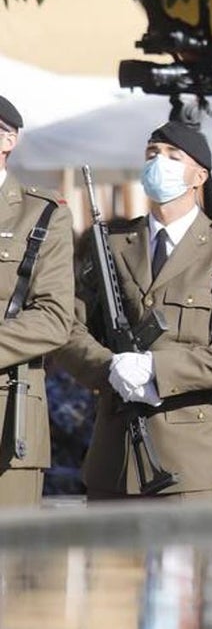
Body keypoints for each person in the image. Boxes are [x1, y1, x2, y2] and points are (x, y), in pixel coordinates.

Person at [55, 121, 212, 500]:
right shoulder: (113, 245)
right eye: (152, 154)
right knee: (105, 560)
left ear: (199, 175)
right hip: (114, 457)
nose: (158, 162)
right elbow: (68, 328)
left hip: (188, 461)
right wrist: (109, 367)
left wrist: (156, 370)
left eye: (172, 156)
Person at [0, 95, 73, 505]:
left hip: (8, 414)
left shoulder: (42, 214)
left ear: (8, 140)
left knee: (8, 562)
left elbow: (53, 318)